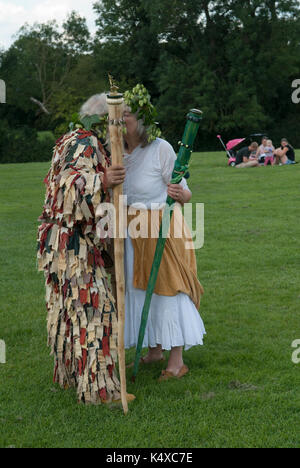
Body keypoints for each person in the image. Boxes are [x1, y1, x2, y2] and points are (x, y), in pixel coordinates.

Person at [37, 93, 135, 405]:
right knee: (96, 311)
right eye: (116, 120)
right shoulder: (84, 141)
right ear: (102, 118)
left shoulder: (79, 140)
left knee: (71, 313)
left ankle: (71, 374)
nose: (118, 128)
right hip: (72, 244)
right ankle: (99, 391)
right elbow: (69, 186)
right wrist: (103, 178)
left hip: (67, 243)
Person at [122, 84, 206, 381]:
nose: (119, 120)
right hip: (131, 230)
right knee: (141, 287)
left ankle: (176, 361)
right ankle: (154, 349)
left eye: (126, 115)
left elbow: (186, 194)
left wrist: (178, 192)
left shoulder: (161, 149)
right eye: (115, 116)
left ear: (142, 119)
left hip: (162, 225)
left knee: (168, 289)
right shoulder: (116, 153)